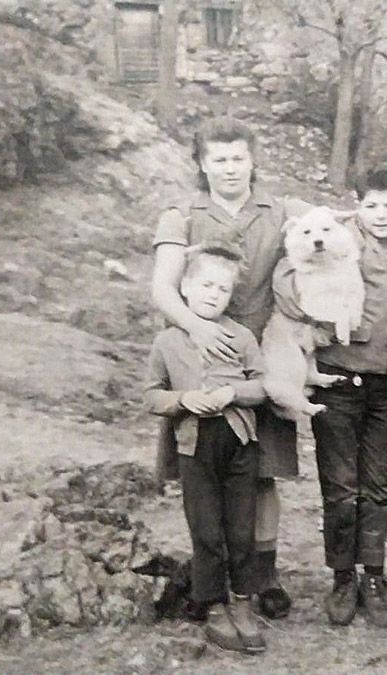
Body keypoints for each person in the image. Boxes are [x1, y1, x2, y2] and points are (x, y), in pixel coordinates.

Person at [151, 119, 306, 619]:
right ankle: (211, 577)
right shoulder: (181, 215)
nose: (230, 168)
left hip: (261, 354)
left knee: (263, 474)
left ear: (253, 159)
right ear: (201, 164)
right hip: (200, 357)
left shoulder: (279, 210)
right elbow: (162, 288)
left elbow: (332, 223)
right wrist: (196, 328)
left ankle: (263, 576)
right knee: (205, 473)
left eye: (238, 157)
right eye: (218, 159)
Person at [272, 169, 387, 628]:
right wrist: (312, 319)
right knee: (340, 485)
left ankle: (374, 576)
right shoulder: (336, 236)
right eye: (371, 205)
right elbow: (285, 273)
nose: (381, 215)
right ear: (356, 205)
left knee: (377, 485)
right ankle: (342, 576)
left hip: (383, 381)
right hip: (336, 377)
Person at [145, 245, 268, 652]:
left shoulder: (241, 335)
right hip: (194, 448)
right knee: (206, 529)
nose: (214, 294)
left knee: (241, 527)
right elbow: (151, 396)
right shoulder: (168, 340)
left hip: (239, 445)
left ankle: (244, 603)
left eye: (223, 289)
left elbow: (261, 385)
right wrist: (184, 400)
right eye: (206, 285)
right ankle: (213, 604)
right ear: (185, 286)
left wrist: (233, 391)